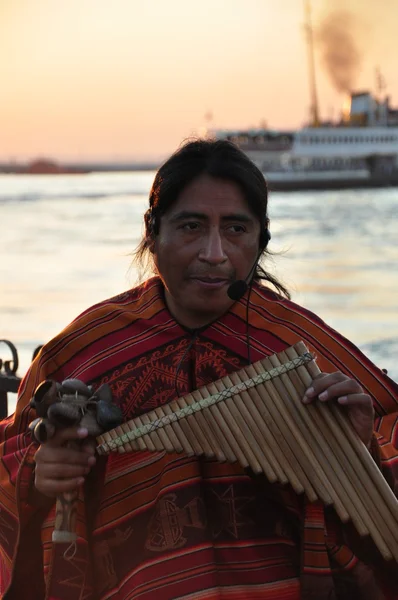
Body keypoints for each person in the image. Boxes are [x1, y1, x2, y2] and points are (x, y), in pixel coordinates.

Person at [0, 139, 397, 600]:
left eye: (235, 229)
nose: (214, 253)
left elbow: (389, 435)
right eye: (191, 226)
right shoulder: (83, 349)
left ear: (260, 239)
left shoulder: (296, 342)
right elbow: (12, 457)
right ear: (153, 231)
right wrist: (38, 473)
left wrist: (361, 448)